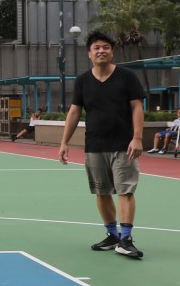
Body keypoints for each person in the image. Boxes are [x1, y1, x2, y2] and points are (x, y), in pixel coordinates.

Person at [59, 31, 146, 258]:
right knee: (102, 192)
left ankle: (126, 238)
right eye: (96, 47)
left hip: (124, 144)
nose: (101, 51)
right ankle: (112, 235)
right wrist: (64, 142)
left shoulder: (127, 77)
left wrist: (137, 137)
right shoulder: (82, 81)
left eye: (106, 47)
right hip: (95, 145)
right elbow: (75, 111)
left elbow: (137, 107)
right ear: (89, 53)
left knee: (125, 190)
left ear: (112, 51)